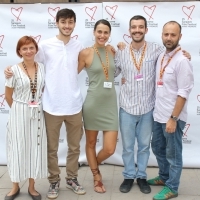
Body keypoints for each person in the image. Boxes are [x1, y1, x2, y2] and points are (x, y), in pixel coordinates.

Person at [5, 8, 86, 199]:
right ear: (57, 22)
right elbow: (31, 66)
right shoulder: (45, 45)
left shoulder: (78, 45)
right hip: (51, 106)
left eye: (70, 22)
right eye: (63, 22)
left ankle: (72, 178)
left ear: (74, 23)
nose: (67, 26)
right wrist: (10, 70)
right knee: (51, 149)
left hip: (74, 105)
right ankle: (54, 181)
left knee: (74, 147)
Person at [114, 15, 191, 195]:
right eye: (134, 27)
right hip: (127, 108)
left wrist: (186, 53)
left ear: (146, 30)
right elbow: (113, 71)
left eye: (141, 27)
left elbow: (176, 56)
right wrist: (111, 49)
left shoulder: (157, 51)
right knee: (127, 147)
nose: (137, 30)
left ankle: (141, 176)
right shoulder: (122, 52)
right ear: (129, 30)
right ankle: (128, 176)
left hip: (149, 109)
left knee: (144, 147)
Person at [147, 21, 194, 200]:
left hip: (172, 117)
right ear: (162, 35)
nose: (169, 38)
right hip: (159, 115)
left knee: (173, 155)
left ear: (180, 37)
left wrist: (173, 118)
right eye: (166, 34)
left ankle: (172, 187)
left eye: (173, 35)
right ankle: (164, 177)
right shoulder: (162, 57)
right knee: (158, 147)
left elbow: (183, 93)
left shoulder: (182, 61)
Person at [4, 36, 48, 200]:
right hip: (19, 112)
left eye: (31, 48)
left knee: (34, 148)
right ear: (19, 52)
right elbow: (8, 96)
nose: (28, 51)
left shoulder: (42, 67)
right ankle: (15, 187)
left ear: (36, 49)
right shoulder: (13, 70)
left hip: (37, 112)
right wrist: (19, 109)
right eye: (24, 49)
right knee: (17, 148)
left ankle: (32, 187)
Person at [78, 19, 118, 193]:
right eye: (99, 32)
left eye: (106, 32)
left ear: (109, 34)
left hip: (110, 104)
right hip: (93, 104)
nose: (102, 35)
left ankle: (93, 163)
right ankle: (96, 176)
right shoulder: (85, 53)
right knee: (91, 142)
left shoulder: (112, 50)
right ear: (94, 33)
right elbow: (69, 75)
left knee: (109, 148)